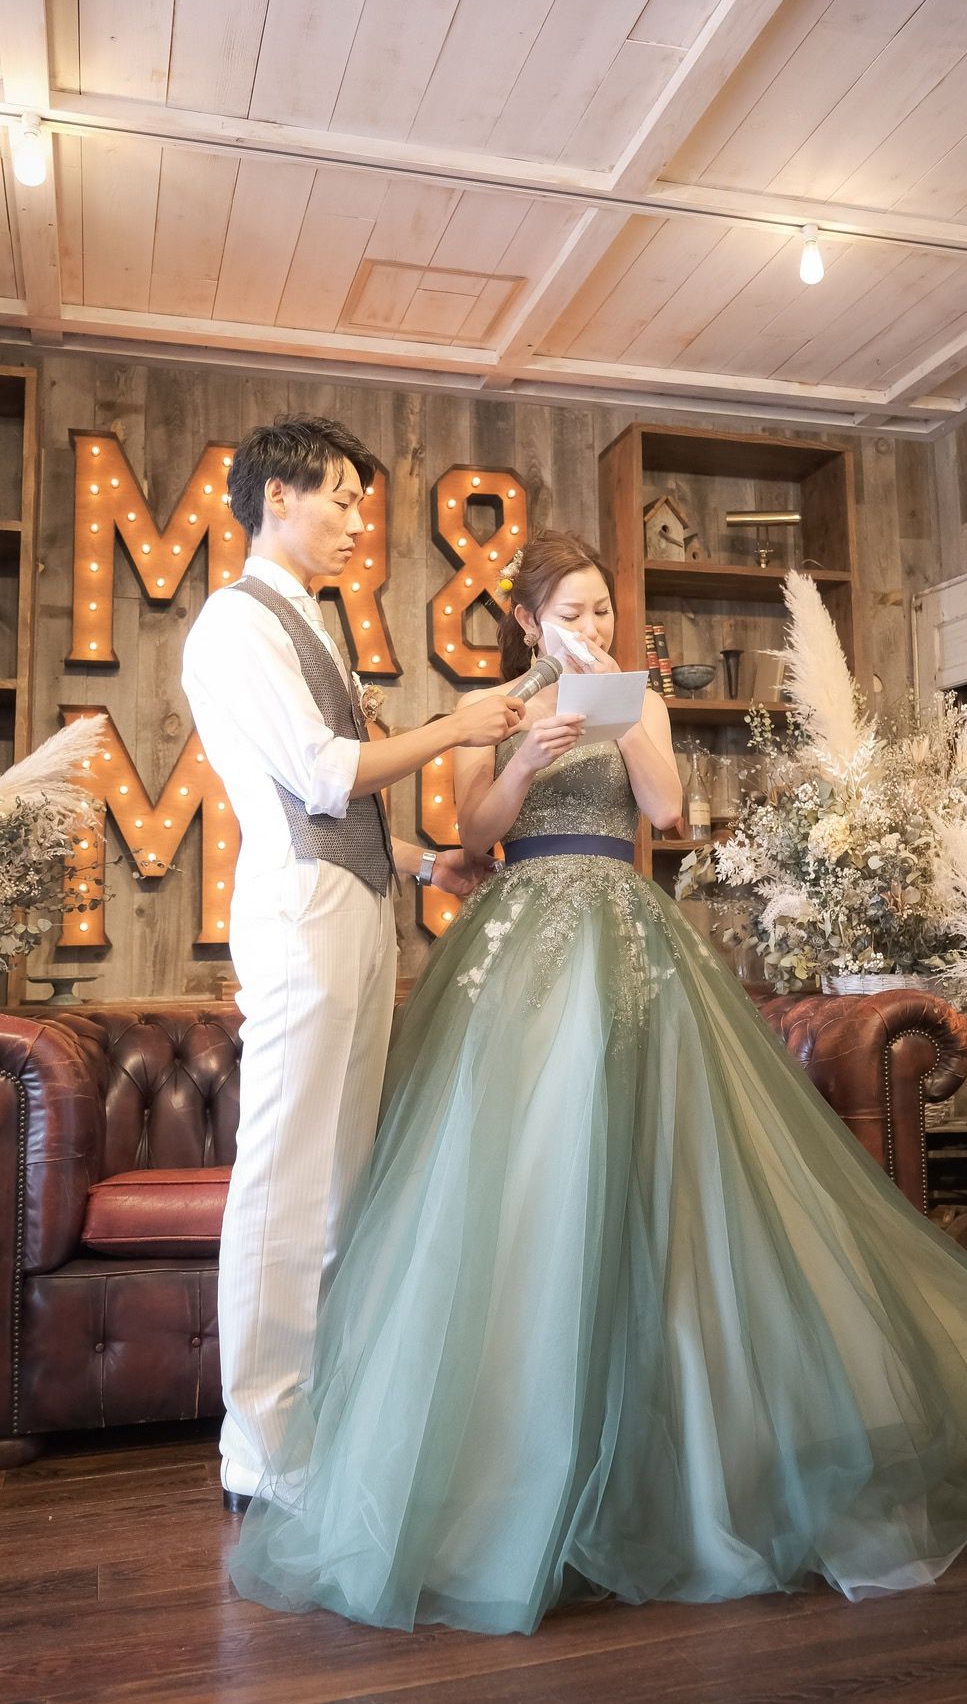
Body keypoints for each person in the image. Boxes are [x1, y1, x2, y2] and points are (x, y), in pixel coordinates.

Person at [229, 528, 967, 1635]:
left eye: (602, 611)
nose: (593, 628)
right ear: (526, 622)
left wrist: (619, 713)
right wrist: (524, 754)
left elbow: (666, 811)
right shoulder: (492, 709)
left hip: (623, 932)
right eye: (571, 613)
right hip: (518, 941)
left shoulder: (639, 699)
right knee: (521, 1176)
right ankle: (504, 1456)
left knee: (660, 1173)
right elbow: (472, 830)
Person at [181, 416, 523, 1514]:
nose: (353, 521)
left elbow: (343, 802)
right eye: (337, 497)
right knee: (285, 1181)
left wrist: (425, 864)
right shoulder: (238, 622)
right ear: (275, 496)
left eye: (357, 503)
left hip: (360, 908)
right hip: (303, 916)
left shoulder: (311, 622)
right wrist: (456, 725)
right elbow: (324, 776)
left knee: (342, 1182)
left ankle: (320, 1427)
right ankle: (260, 1450)